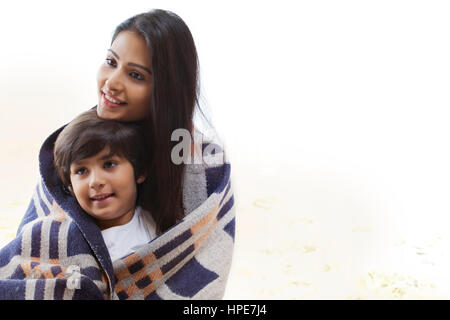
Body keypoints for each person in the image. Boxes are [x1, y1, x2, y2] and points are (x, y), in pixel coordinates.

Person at [0, 9, 235, 300]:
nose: (111, 82)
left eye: (135, 75)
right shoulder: (81, 139)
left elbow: (200, 271)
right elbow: (35, 250)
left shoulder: (199, 164)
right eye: (111, 62)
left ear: (166, 88)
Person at [53, 109, 156, 262]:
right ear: (70, 185)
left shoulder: (156, 228)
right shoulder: (61, 235)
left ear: (140, 171)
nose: (95, 181)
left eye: (109, 164)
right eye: (81, 171)